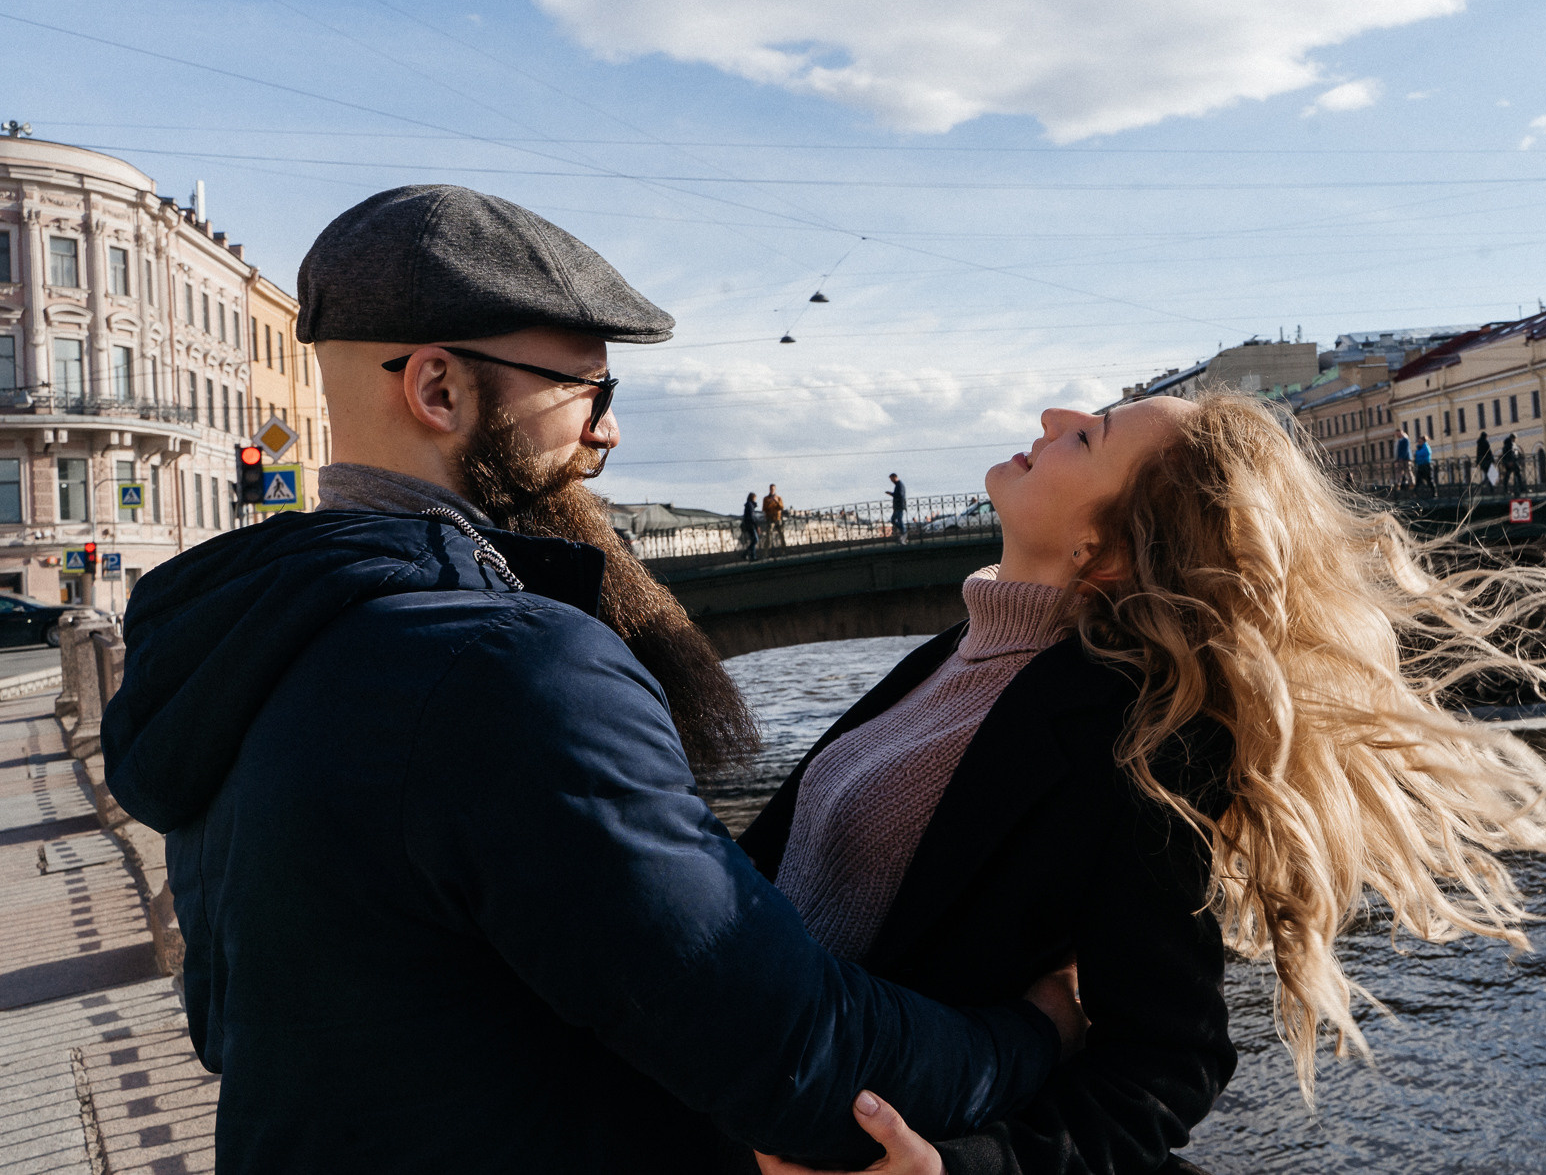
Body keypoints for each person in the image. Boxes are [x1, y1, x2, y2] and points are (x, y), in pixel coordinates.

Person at [98, 186, 1081, 1175]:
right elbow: (796, 1056)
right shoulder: (505, 667)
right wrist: (1033, 1032)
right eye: (587, 392)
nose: (607, 434)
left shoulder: (251, 638)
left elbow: (228, 1025)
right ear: (437, 390)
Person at [742, 390, 1546, 1175]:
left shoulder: (1140, 739)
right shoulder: (956, 652)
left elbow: (1165, 1066)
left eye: (1087, 439)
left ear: (1104, 549)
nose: (1052, 417)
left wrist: (964, 1169)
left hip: (817, 1125)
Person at [763, 482, 787, 551]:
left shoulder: (779, 498)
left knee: (781, 535)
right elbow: (764, 509)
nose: (772, 490)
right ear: (769, 489)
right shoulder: (766, 499)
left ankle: (784, 551)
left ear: (775, 489)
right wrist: (769, 503)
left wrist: (777, 502)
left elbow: (782, 507)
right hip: (770, 519)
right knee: (769, 537)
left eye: (773, 489)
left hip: (778, 518)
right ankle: (766, 553)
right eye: (771, 489)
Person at [886, 472, 908, 544]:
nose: (891, 481)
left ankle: (904, 532)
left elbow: (900, 495)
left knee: (899, 520)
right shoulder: (898, 485)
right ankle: (903, 532)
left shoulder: (899, 485)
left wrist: (891, 494)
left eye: (891, 479)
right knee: (894, 520)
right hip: (897, 506)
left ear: (894, 477)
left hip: (899, 506)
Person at [1392, 429, 1414, 495]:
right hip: (1399, 459)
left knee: (1408, 470)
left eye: (1398, 434)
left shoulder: (1405, 440)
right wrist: (1396, 459)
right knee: (1399, 472)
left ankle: (1411, 483)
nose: (1397, 435)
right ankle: (1398, 484)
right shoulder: (1398, 441)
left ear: (1401, 433)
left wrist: (1402, 457)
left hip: (1405, 459)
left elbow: (1406, 450)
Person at [741, 491, 761, 560]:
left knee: (753, 540)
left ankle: (753, 556)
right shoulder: (750, 505)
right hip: (750, 525)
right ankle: (746, 553)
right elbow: (752, 517)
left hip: (748, 524)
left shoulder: (748, 505)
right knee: (755, 540)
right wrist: (756, 526)